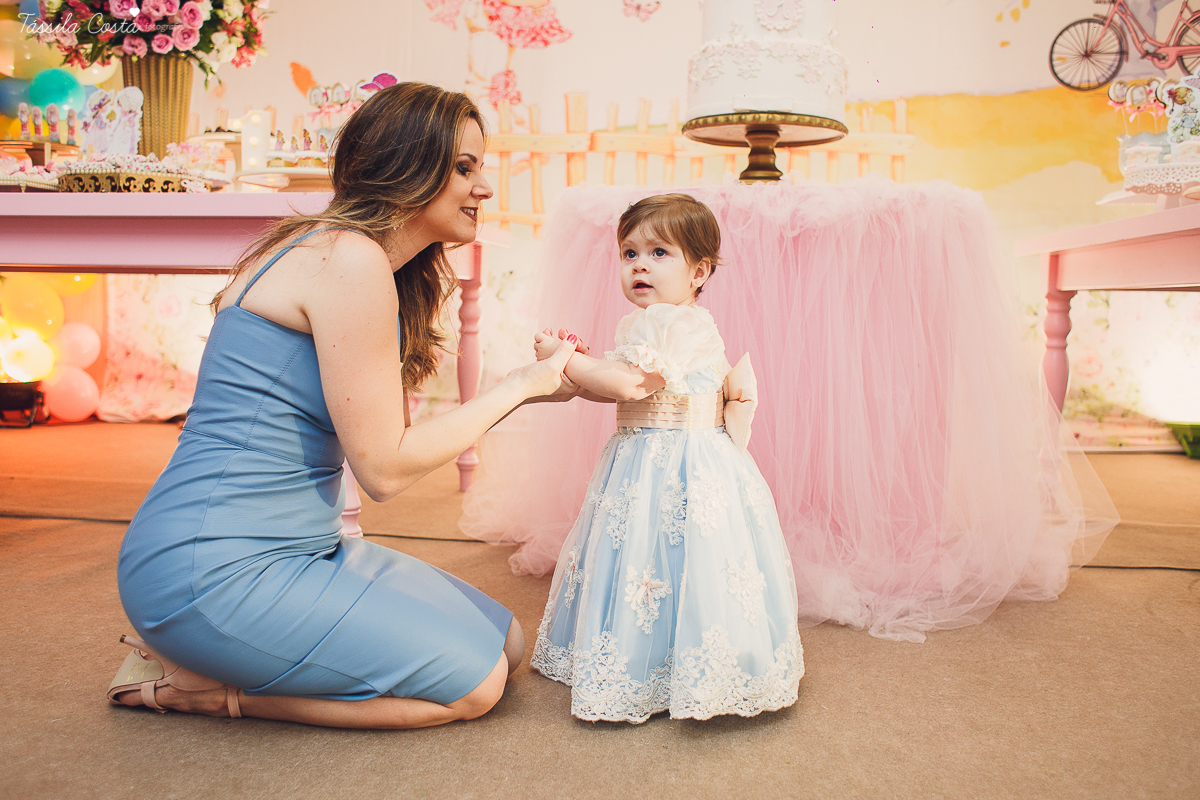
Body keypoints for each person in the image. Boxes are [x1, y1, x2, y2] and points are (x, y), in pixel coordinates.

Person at [107, 82, 582, 729]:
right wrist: (521, 385)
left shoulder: (346, 256)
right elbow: (385, 470)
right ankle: (209, 693)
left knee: (508, 644)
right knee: (477, 688)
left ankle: (226, 661)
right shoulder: (346, 260)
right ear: (409, 167)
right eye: (465, 167)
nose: (485, 188)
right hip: (209, 570)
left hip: (303, 549)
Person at [528, 193, 804, 723]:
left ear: (699, 271)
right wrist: (571, 373)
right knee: (648, 560)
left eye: (659, 253)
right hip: (644, 457)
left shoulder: (679, 325)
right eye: (629, 254)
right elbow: (610, 389)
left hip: (683, 462)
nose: (639, 266)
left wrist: (568, 359)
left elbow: (630, 383)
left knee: (680, 558)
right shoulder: (647, 323)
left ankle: (689, 665)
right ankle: (651, 659)